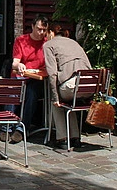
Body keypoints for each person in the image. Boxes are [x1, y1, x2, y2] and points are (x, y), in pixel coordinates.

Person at [43, 22, 92, 150]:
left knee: (56, 102)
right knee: (69, 101)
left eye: (46, 33)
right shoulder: (74, 43)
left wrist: (55, 98)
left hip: (73, 86)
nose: (45, 36)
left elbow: (52, 74)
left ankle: (62, 139)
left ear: (51, 33)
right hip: (91, 85)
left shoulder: (49, 45)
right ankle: (75, 137)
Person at [0, 15, 49, 144]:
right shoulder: (21, 40)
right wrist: (19, 65)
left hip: (35, 78)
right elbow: (14, 63)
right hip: (19, 76)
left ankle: (22, 129)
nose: (41, 33)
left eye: (44, 30)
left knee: (32, 94)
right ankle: (7, 127)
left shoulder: (46, 43)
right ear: (32, 26)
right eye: (39, 29)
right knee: (12, 92)